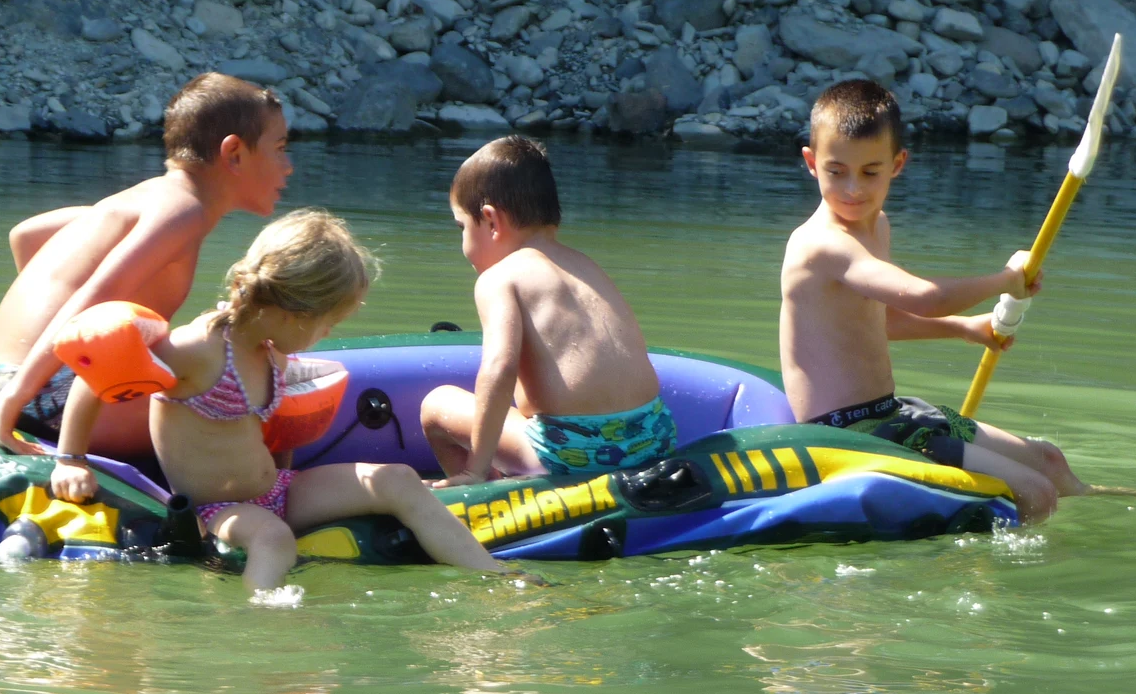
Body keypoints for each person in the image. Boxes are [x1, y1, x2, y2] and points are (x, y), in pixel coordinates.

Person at [47, 209, 506, 594]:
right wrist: (70, 459)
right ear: (291, 312)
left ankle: (496, 577)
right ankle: (261, 619)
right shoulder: (197, 351)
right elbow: (94, 379)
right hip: (219, 509)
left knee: (398, 478)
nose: (327, 335)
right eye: (326, 324)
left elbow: (273, 430)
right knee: (273, 539)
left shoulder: (270, 352)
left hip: (280, 488)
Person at [779, 79, 1090, 523]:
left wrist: (966, 328)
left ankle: (1118, 502)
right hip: (848, 431)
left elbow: (879, 321)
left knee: (1049, 462)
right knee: (1034, 492)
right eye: (836, 170)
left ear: (897, 164)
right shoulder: (823, 245)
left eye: (870, 171)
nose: (853, 189)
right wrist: (1007, 279)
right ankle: (1014, 583)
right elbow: (924, 297)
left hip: (890, 413)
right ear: (811, 163)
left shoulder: (875, 226)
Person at [0, 72, 293, 456]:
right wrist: (21, 392)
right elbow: (95, 294)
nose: (288, 166)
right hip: (44, 399)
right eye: (280, 148)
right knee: (240, 378)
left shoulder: (142, 200)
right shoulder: (183, 211)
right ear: (234, 153)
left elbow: (26, 235)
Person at [419, 136, 676, 487]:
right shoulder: (586, 266)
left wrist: (475, 467)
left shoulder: (500, 279)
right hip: (654, 436)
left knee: (437, 405)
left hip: (577, 451)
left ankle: (478, 487)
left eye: (462, 227)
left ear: (491, 221)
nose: (463, 242)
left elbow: (500, 368)